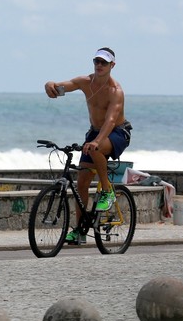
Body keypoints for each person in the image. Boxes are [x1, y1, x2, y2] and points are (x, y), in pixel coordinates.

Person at [44, 47, 132, 244]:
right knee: (82, 183)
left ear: (112, 65)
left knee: (96, 148)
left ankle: (108, 191)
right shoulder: (85, 82)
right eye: (96, 61)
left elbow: (110, 121)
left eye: (104, 62)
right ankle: (80, 231)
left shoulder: (115, 91)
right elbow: (62, 86)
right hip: (94, 131)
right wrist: (49, 84)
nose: (99, 65)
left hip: (117, 132)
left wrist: (96, 141)